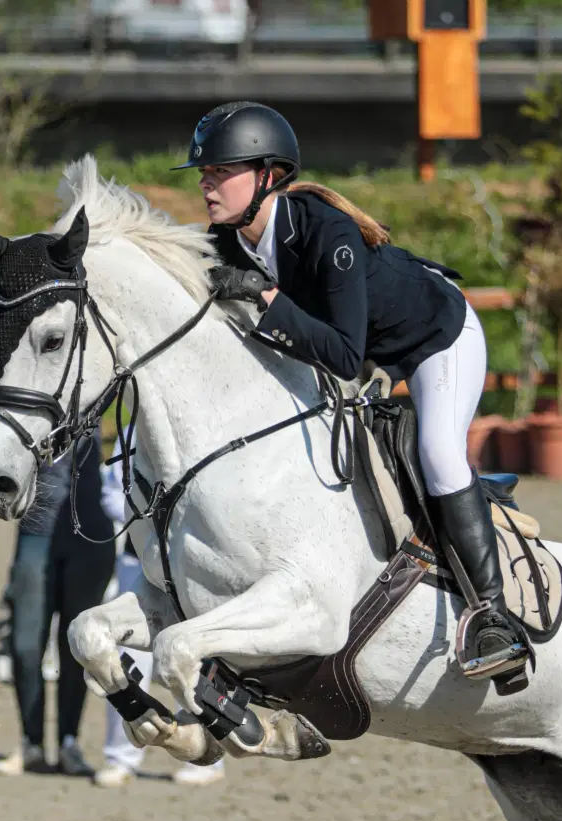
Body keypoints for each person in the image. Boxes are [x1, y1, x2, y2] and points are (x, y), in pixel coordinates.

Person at [173, 100, 528, 681]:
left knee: (438, 454)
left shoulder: (325, 230)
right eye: (204, 173)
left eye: (220, 170)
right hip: (369, 358)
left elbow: (341, 352)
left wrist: (264, 301)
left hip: (435, 336)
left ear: (267, 175)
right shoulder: (227, 242)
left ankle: (494, 617)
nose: (207, 183)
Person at [91, 443, 226, 788]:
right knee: (124, 663)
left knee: (194, 661)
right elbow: (108, 492)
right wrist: (140, 516)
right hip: (135, 563)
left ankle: (205, 758)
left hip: (189, 567)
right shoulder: (130, 435)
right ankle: (120, 757)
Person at [0, 435, 116, 776]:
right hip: (37, 531)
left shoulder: (90, 402)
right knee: (25, 644)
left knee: (75, 646)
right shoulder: (31, 418)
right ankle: (31, 742)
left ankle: (68, 743)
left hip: (88, 538)